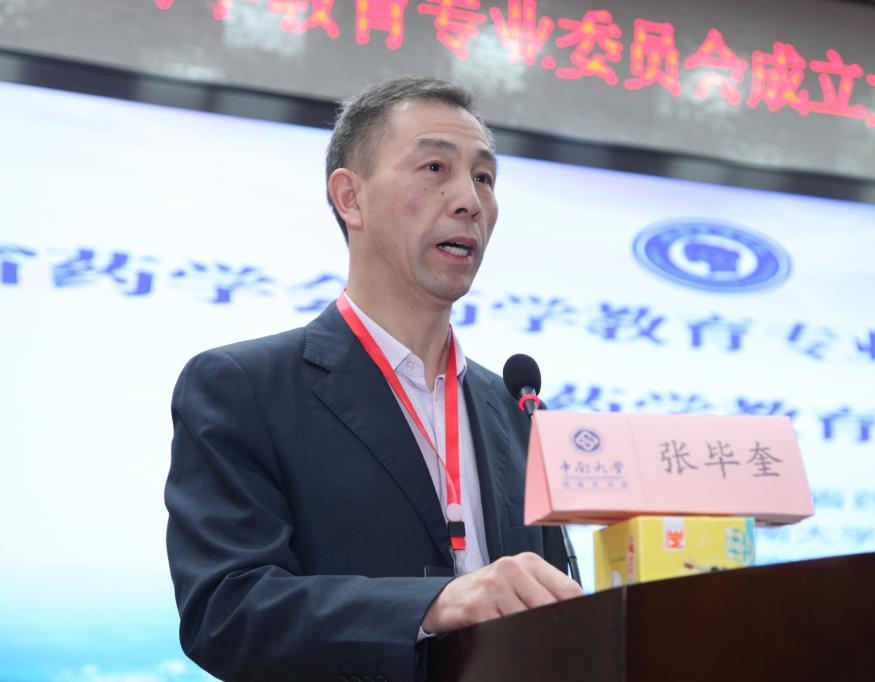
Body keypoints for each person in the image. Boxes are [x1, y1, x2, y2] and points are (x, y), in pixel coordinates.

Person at [165, 76, 582, 682]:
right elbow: (226, 611)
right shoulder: (243, 388)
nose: (470, 200)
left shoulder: (515, 408)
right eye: (435, 168)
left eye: (484, 178)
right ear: (350, 198)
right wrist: (431, 606)